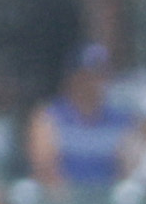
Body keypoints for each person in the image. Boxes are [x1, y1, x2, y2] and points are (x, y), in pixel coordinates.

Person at [25, 46, 129, 195]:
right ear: (73, 77)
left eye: (101, 75)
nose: (94, 83)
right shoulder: (49, 117)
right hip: (63, 200)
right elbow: (44, 166)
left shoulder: (120, 119)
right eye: (87, 76)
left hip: (107, 201)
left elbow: (127, 167)